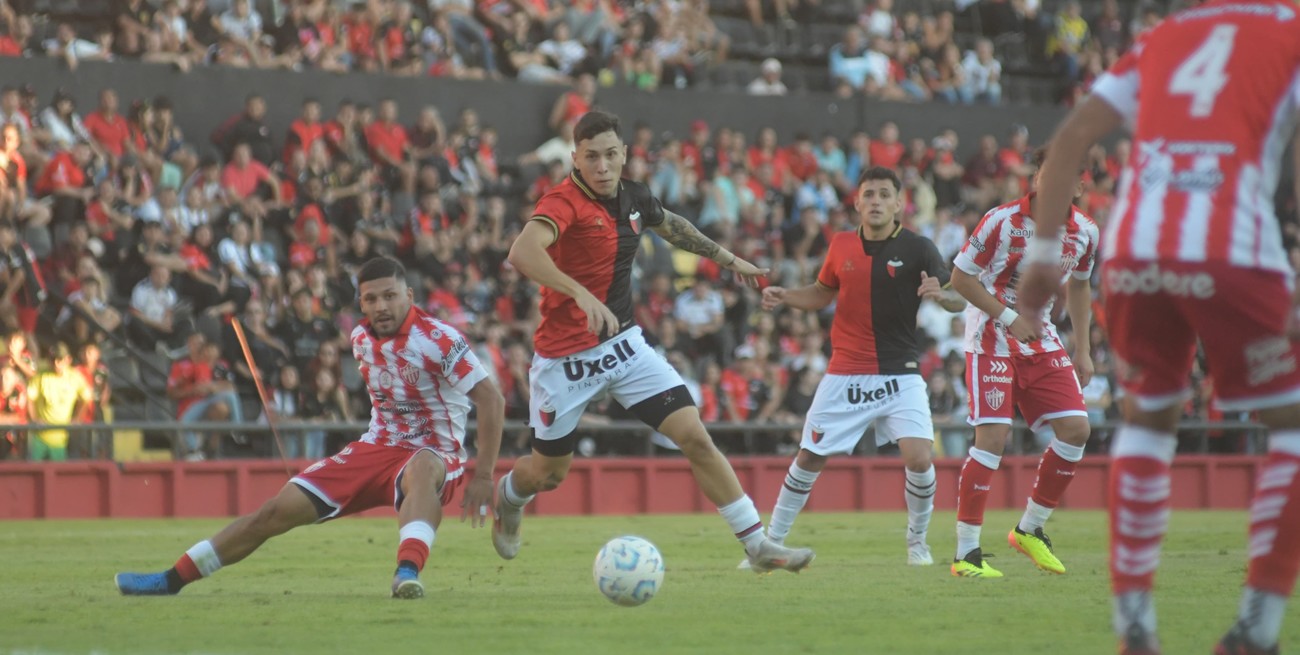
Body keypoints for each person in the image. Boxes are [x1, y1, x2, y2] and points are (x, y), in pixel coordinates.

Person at [1022, 3, 1300, 653]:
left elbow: (1071, 136)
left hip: (1134, 252)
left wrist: (1042, 257)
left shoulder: (1166, 35)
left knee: (1147, 423)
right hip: (1233, 250)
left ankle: (1135, 628)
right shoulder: (1290, 29)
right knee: (1291, 427)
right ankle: (1258, 625)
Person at [494, 110, 814, 573]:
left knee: (695, 436)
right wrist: (579, 293)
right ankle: (510, 496)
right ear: (575, 158)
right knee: (548, 474)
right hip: (566, 361)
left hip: (625, 347)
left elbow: (672, 226)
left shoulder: (636, 196)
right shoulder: (563, 201)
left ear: (624, 154)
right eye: (591, 157)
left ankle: (757, 545)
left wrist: (729, 259)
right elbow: (521, 251)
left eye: (610, 154)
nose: (602, 165)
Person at [115, 257, 506, 599]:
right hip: (375, 449)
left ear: (409, 294)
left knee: (420, 468)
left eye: (390, 296)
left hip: (436, 453)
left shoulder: (439, 338)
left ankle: (406, 572)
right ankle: (172, 579)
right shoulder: (359, 339)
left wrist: (484, 475)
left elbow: (492, 399)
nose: (381, 306)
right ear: (361, 303)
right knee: (273, 512)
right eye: (371, 299)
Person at [748, 166, 966, 569]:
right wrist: (786, 296)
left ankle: (917, 542)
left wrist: (942, 295)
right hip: (846, 370)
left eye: (884, 194)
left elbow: (958, 299)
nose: (876, 201)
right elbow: (822, 292)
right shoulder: (841, 244)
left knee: (920, 458)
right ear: (857, 202)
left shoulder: (919, 248)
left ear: (898, 204)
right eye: (869, 194)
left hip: (900, 372)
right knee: (809, 457)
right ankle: (770, 544)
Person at [947, 147, 1099, 579]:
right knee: (992, 440)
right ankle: (966, 554)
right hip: (991, 336)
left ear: (1078, 186)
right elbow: (960, 278)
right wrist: (1009, 317)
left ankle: (1030, 529)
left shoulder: (1086, 232)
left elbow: (1081, 287)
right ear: (1036, 178)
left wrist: (1083, 348)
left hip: (1041, 337)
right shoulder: (1002, 220)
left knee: (1077, 429)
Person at [26, 343, 92, 461]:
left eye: (60, 359)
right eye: (53, 360)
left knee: (59, 469)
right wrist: (35, 419)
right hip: (39, 436)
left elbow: (86, 398)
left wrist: (78, 418)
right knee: (33, 469)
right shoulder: (40, 376)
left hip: (61, 438)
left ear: (68, 360)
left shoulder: (75, 377)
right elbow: (30, 398)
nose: (56, 363)